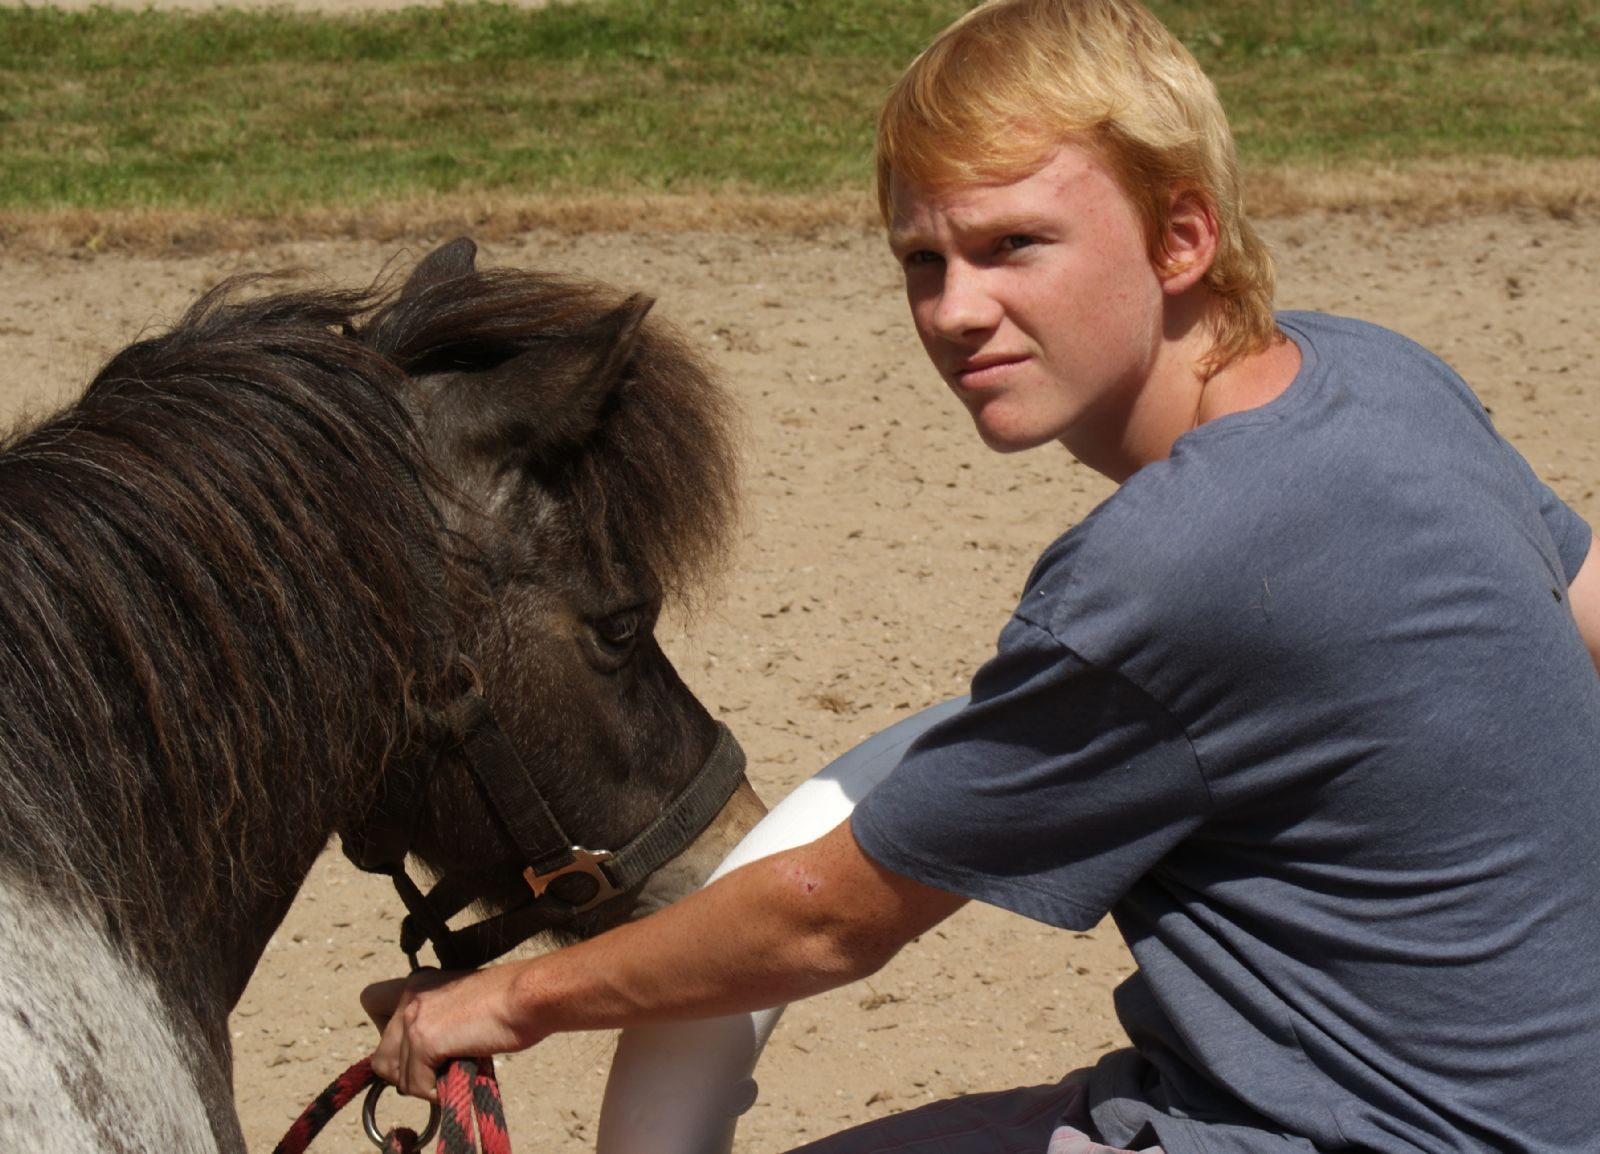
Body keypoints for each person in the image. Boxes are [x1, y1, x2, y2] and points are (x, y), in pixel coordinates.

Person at [364, 1, 1600, 1150]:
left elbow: (825, 914)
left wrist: (508, 997)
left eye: (1016, 246)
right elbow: (1584, 595)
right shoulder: (1374, 375)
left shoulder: (1171, 561)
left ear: (1182, 235)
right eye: (923, 259)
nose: (957, 310)